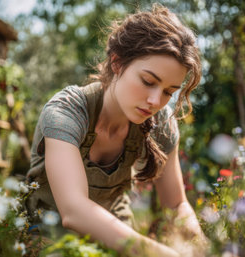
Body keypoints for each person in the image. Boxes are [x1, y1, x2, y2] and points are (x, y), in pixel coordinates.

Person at [26, 4, 206, 256]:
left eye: (168, 92)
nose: (156, 101)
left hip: (117, 243)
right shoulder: (66, 111)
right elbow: (73, 210)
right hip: (50, 241)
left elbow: (176, 205)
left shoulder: (160, 124)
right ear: (117, 63)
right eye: (148, 81)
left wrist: (203, 249)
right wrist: (156, 253)